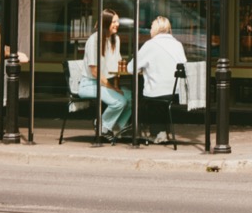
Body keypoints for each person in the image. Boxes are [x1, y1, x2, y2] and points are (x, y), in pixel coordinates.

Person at [78, 8, 133, 142]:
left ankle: (117, 128)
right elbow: (95, 71)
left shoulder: (116, 39)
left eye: (118, 21)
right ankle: (102, 125)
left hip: (105, 83)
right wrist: (112, 88)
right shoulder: (94, 40)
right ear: (106, 22)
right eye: (114, 21)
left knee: (131, 98)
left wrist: (115, 86)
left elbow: (116, 67)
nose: (117, 24)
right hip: (89, 84)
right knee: (119, 101)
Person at [133, 15, 189, 143]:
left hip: (157, 92)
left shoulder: (150, 45)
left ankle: (158, 133)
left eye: (151, 27)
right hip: (176, 92)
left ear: (156, 29)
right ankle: (162, 131)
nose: (150, 30)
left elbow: (132, 68)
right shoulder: (177, 44)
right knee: (160, 98)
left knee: (148, 97)